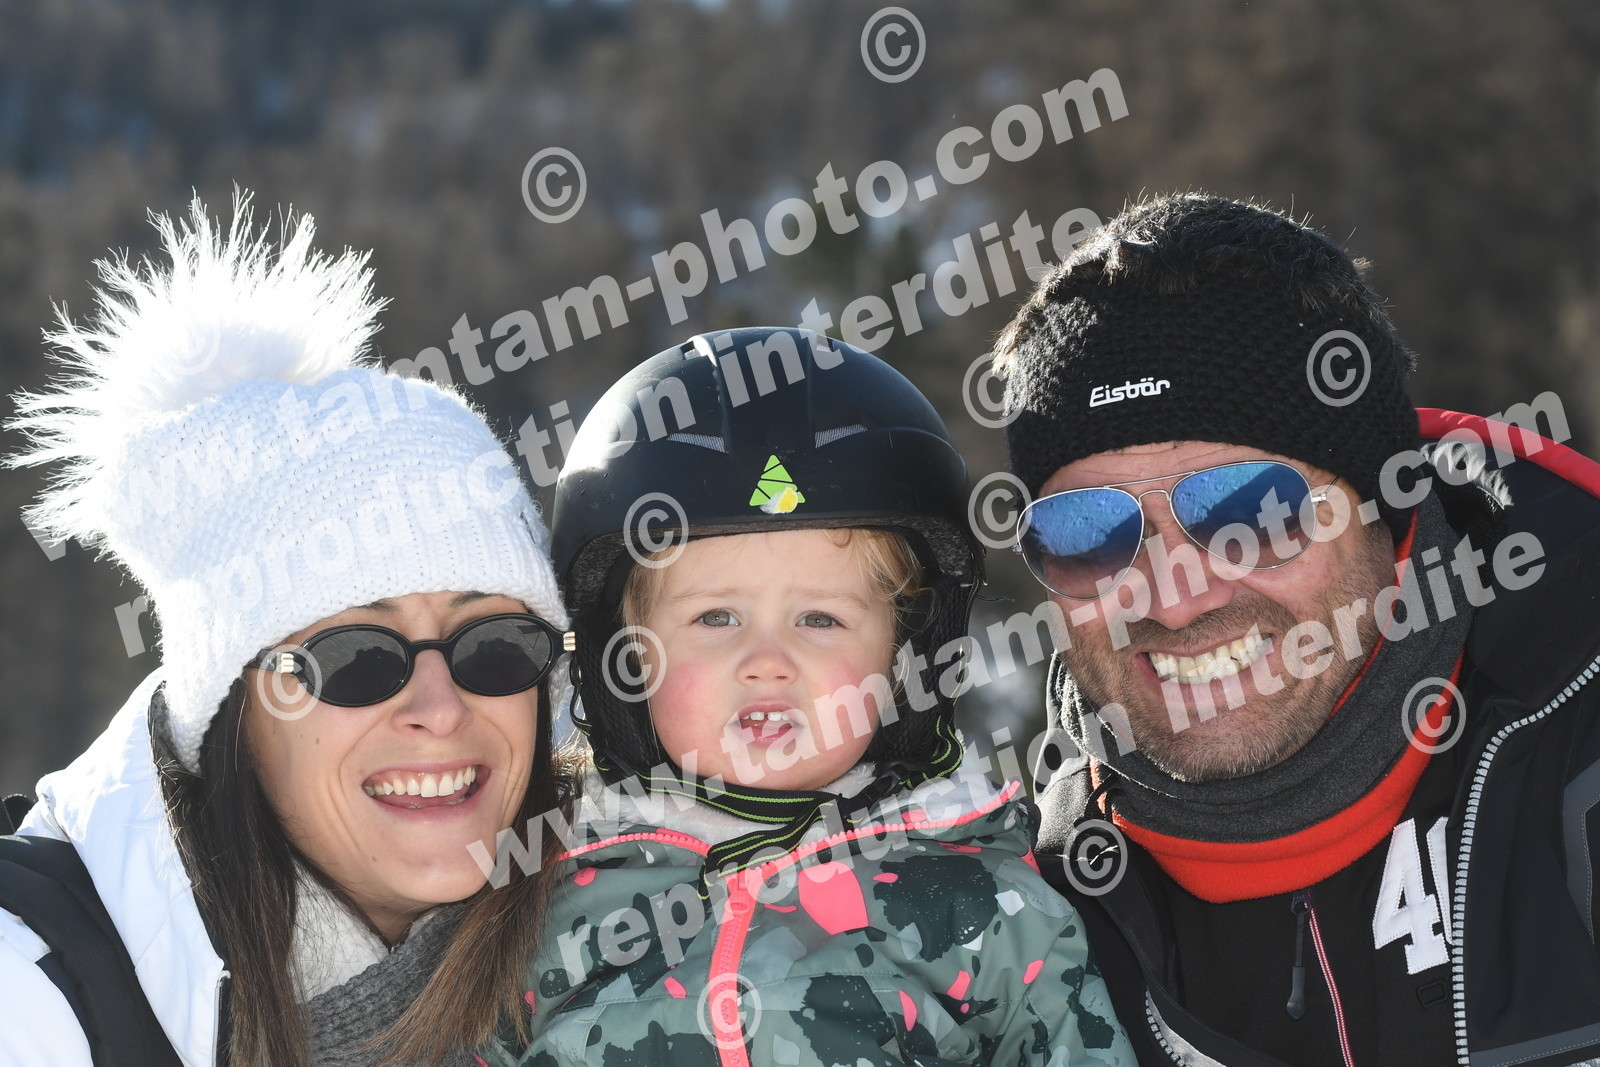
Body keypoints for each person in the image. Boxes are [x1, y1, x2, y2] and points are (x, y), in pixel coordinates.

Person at [995, 192, 1600, 1065]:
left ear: (1386, 511)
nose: (1176, 598)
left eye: (1248, 510)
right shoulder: (1020, 940)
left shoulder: (1577, 746)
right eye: (1090, 533)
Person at [0, 197, 573, 1066]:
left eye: (495, 645)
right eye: (357, 658)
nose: (441, 707)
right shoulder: (30, 994)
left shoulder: (642, 936)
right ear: (228, 706)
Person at [476, 328, 1135, 1066]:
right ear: (624, 659)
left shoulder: (991, 912)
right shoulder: (543, 907)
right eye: (715, 618)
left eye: (820, 619)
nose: (767, 662)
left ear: (903, 657)